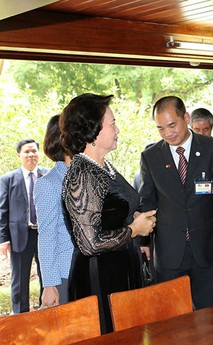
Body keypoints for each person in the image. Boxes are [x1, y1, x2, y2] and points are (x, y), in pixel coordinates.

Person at [59, 93, 156, 333]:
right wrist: (134, 229)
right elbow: (89, 243)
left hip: (121, 268)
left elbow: (111, 212)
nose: (118, 129)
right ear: (93, 131)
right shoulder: (83, 173)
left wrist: (131, 217)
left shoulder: (103, 167)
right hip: (100, 276)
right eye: (112, 124)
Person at [139, 96, 213, 309]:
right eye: (160, 128)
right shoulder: (151, 156)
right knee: (172, 321)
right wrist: (144, 242)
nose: (167, 133)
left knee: (208, 317)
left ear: (185, 117)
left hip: (206, 248)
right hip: (168, 253)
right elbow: (147, 201)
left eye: (172, 125)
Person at [0, 139, 47, 314]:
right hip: (19, 235)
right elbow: (2, 211)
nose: (31, 155)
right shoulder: (7, 179)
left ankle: (47, 311)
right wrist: (3, 239)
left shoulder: (47, 176)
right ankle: (20, 315)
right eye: (27, 152)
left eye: (34, 151)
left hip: (44, 235)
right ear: (19, 155)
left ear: (39, 154)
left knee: (48, 277)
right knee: (19, 279)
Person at [33, 115, 74, 308]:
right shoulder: (48, 184)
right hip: (64, 275)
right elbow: (46, 236)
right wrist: (49, 285)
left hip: (88, 269)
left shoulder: (84, 175)